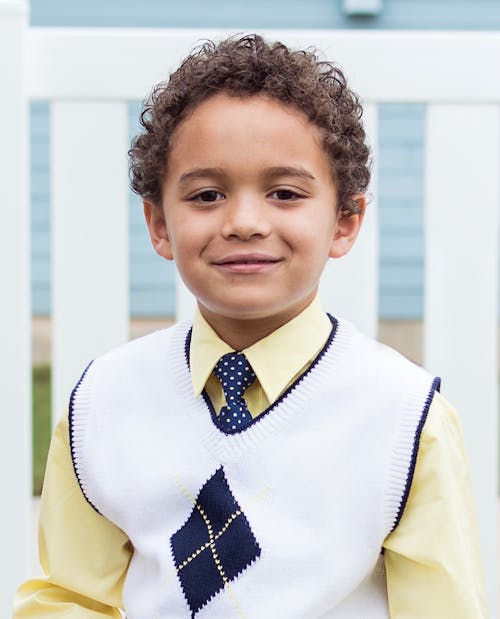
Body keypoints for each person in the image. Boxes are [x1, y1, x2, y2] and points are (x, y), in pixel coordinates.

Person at [14, 34, 487, 618]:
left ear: (344, 221)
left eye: (284, 193)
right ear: (159, 224)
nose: (244, 221)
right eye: (207, 194)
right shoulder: (104, 400)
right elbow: (69, 596)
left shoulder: (405, 418)